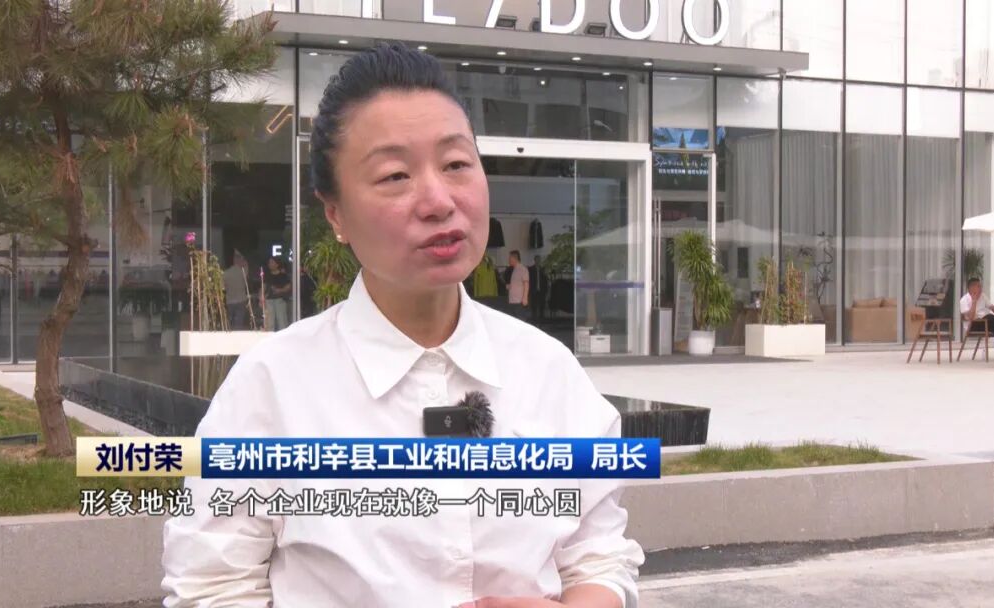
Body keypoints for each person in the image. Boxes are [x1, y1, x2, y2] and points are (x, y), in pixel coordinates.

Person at [162, 43, 642, 608]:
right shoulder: (272, 387)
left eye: (456, 164)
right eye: (394, 175)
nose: (438, 201)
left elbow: (599, 556)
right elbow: (211, 589)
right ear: (336, 213)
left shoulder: (548, 371)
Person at [960, 277, 994, 358]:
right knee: (993, 320)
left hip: (987, 322)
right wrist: (974, 301)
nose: (981, 288)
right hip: (973, 325)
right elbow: (971, 318)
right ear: (971, 288)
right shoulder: (964, 300)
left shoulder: (983, 296)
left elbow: (992, 308)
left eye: (980, 286)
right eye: (978, 286)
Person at [223, 250, 250, 329]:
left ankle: (229, 332)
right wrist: (239, 255)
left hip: (230, 300)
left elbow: (222, 287)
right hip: (241, 300)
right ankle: (237, 333)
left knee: (229, 320)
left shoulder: (225, 273)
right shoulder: (243, 272)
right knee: (239, 321)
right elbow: (246, 264)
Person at [263, 256, 291, 331]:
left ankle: (283, 337)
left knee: (282, 322)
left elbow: (288, 287)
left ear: (277, 264)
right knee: (270, 323)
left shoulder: (283, 275)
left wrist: (280, 290)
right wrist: (261, 297)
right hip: (269, 300)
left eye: (272, 262)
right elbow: (263, 287)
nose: (270, 264)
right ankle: (269, 336)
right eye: (269, 262)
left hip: (280, 300)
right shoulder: (267, 275)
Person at [505, 249, 530, 322]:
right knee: (514, 322)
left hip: (519, 301)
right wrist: (510, 286)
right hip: (513, 301)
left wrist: (525, 298)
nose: (508, 260)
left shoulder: (522, 269)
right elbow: (518, 283)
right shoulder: (514, 269)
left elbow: (526, 283)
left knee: (520, 321)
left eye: (510, 258)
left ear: (514, 258)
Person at [529, 254, 549, 321]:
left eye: (539, 260)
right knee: (533, 304)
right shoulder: (530, 269)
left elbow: (546, 280)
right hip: (533, 289)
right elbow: (529, 279)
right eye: (537, 260)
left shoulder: (543, 269)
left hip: (542, 290)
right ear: (534, 260)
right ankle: (534, 317)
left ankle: (541, 317)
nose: (538, 261)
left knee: (542, 304)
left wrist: (546, 290)